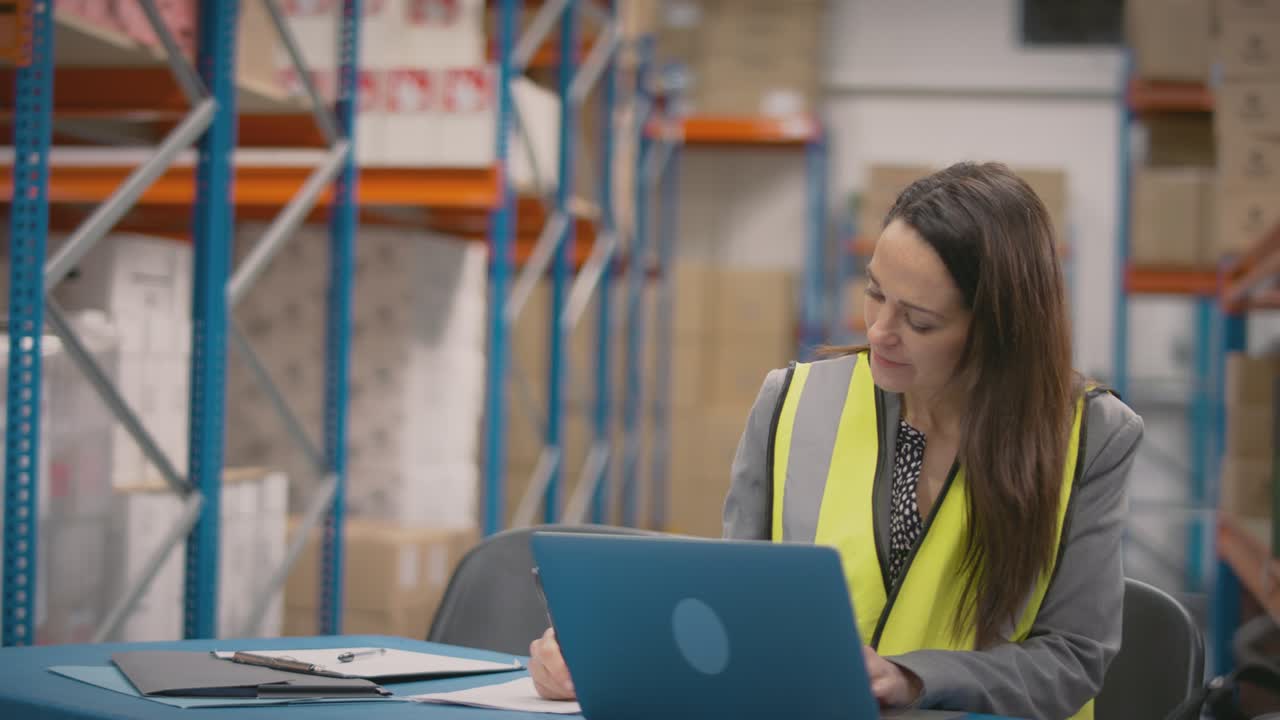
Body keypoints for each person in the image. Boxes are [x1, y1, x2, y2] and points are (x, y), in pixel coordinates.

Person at [528, 161, 1142, 720]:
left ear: (1000, 330)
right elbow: (733, 612)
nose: (879, 331)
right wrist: (602, 658)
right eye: (874, 292)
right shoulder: (792, 402)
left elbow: (1072, 659)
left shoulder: (1091, 436)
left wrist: (911, 678)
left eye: (919, 320)